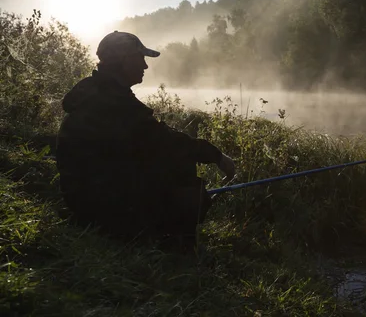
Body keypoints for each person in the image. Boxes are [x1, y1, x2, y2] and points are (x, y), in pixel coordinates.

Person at [56, 31, 235, 237]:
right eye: (140, 58)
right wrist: (216, 156)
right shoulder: (114, 103)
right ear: (123, 60)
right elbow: (167, 142)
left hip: (84, 200)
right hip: (100, 209)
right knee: (183, 173)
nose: (145, 66)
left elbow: (153, 138)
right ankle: (174, 249)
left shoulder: (94, 92)